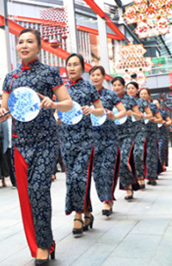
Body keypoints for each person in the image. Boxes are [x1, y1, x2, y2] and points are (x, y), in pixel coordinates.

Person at [0, 28, 72, 265]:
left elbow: (68, 104)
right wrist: (0, 113)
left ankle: (42, 246)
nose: (24, 45)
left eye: (29, 42)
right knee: (27, 196)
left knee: (39, 190)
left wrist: (53, 103)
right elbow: (5, 113)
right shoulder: (10, 77)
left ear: (39, 47)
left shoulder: (50, 73)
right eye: (20, 42)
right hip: (20, 143)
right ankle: (46, 243)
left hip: (46, 141)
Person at [61, 53, 104, 237]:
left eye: (75, 64)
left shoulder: (89, 87)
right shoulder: (61, 89)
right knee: (72, 178)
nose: (71, 68)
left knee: (79, 176)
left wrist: (92, 110)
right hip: (66, 138)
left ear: (82, 67)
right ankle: (87, 211)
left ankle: (77, 215)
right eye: (69, 64)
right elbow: (57, 106)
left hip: (85, 138)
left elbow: (101, 110)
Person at [89, 66, 126, 217]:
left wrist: (115, 116)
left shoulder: (110, 94)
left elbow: (122, 110)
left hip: (110, 137)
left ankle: (107, 200)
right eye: (93, 75)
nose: (95, 77)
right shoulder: (86, 94)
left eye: (98, 75)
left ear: (104, 77)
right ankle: (105, 198)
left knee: (108, 170)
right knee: (97, 172)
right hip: (92, 138)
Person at [111, 76, 142, 200]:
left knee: (123, 159)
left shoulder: (130, 100)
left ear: (124, 86)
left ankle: (128, 187)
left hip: (128, 134)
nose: (117, 87)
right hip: (113, 134)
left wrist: (132, 114)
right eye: (114, 85)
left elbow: (139, 116)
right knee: (117, 162)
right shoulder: (109, 99)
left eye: (119, 85)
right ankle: (130, 183)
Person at [127, 82, 152, 188]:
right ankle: (129, 181)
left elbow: (150, 115)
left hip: (139, 131)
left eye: (133, 88)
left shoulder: (142, 102)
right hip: (126, 132)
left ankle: (140, 175)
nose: (130, 90)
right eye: (128, 88)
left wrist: (143, 116)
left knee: (137, 154)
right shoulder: (122, 102)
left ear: (137, 90)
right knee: (127, 157)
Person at [139, 88, 163, 186]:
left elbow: (160, 120)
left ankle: (152, 176)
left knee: (151, 154)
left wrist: (154, 119)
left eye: (145, 94)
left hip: (152, 132)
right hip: (139, 132)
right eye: (141, 94)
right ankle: (140, 176)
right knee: (140, 155)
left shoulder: (153, 106)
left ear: (149, 95)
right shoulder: (135, 106)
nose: (143, 95)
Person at [153, 99, 171, 167]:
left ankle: (162, 164)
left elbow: (169, 121)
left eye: (156, 103)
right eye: (153, 103)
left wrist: (165, 122)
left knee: (162, 149)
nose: (155, 105)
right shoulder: (150, 113)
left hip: (162, 133)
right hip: (154, 133)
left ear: (159, 105)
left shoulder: (163, 113)